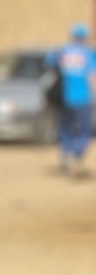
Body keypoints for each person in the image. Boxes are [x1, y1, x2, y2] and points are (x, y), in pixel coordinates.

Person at [48, 23, 96, 175]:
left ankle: (64, 160)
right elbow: (92, 77)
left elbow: (49, 63)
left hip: (64, 99)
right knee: (83, 129)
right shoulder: (87, 54)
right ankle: (78, 159)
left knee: (65, 128)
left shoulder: (62, 52)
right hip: (83, 98)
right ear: (84, 38)